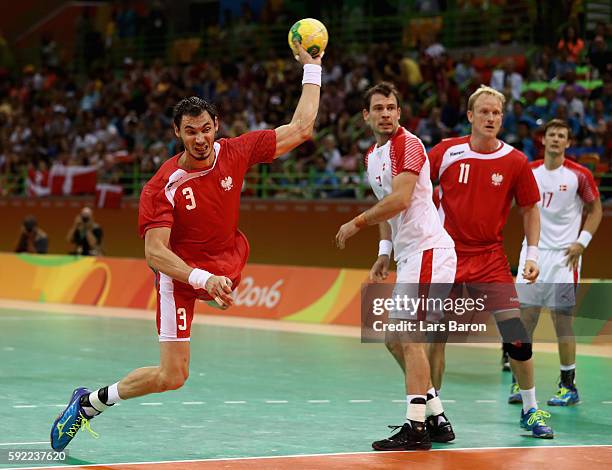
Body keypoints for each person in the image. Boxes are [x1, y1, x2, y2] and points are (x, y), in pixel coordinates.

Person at [50, 44, 323, 451]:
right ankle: (89, 404)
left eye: (206, 129)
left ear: (217, 126)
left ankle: (214, 287)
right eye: (190, 131)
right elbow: (154, 253)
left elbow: (301, 127)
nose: (200, 139)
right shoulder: (163, 184)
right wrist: (202, 279)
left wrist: (313, 69)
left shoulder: (237, 151)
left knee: (211, 304)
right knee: (172, 376)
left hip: (224, 257)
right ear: (177, 133)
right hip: (178, 275)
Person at [427, 85, 554, 438]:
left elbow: (530, 209)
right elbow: (415, 191)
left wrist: (532, 255)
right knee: (435, 339)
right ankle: (432, 411)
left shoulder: (515, 161)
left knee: (517, 338)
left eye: (496, 113)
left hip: (491, 260)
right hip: (447, 258)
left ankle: (530, 410)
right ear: (470, 116)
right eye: (483, 112)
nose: (490, 118)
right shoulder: (445, 152)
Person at [335, 82, 456, 451]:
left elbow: (401, 199)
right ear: (366, 116)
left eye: (391, 107)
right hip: (409, 256)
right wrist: (384, 251)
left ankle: (415, 427)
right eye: (379, 108)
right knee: (393, 339)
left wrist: (356, 223)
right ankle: (436, 416)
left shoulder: (410, 144)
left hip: (429, 251)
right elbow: (387, 207)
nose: (386, 113)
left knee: (409, 335)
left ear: (399, 113)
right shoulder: (373, 156)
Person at [511, 119, 602, 406]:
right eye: (551, 135)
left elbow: (596, 209)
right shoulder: (529, 171)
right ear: (544, 139)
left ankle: (568, 386)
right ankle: (520, 384)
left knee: (562, 322)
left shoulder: (580, 175)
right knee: (524, 320)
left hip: (565, 257)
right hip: (533, 253)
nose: (555, 139)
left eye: (561, 136)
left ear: (568, 142)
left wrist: (581, 242)